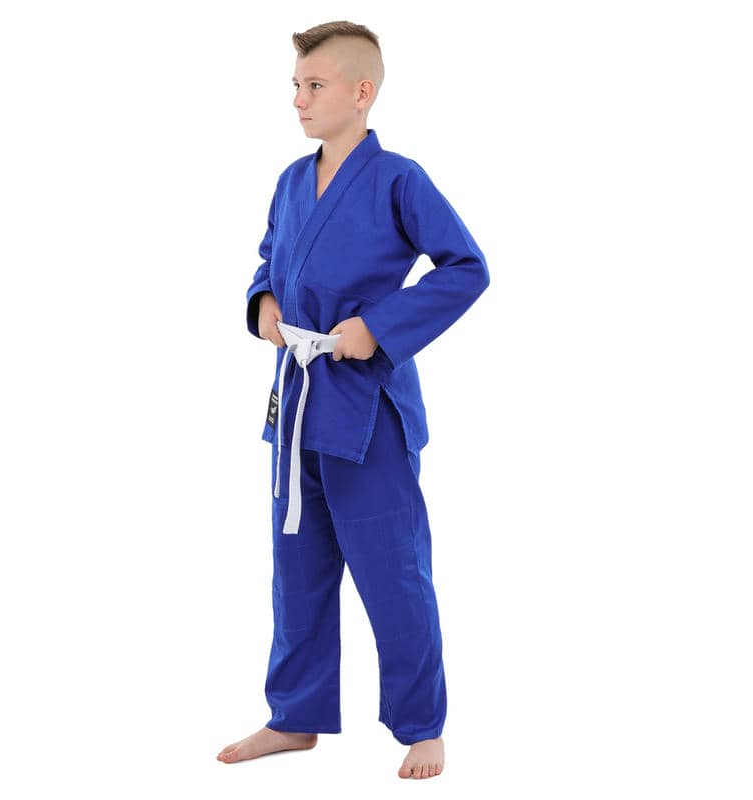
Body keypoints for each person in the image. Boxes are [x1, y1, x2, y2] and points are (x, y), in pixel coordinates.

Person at [217, 20, 489, 780]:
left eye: (314, 85)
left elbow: (465, 267)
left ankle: (421, 725)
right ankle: (294, 715)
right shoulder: (289, 181)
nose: (298, 100)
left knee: (391, 570)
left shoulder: (399, 179)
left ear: (362, 92)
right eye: (295, 86)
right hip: (297, 401)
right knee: (296, 567)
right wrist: (263, 302)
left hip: (367, 410)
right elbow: (269, 259)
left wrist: (379, 327)